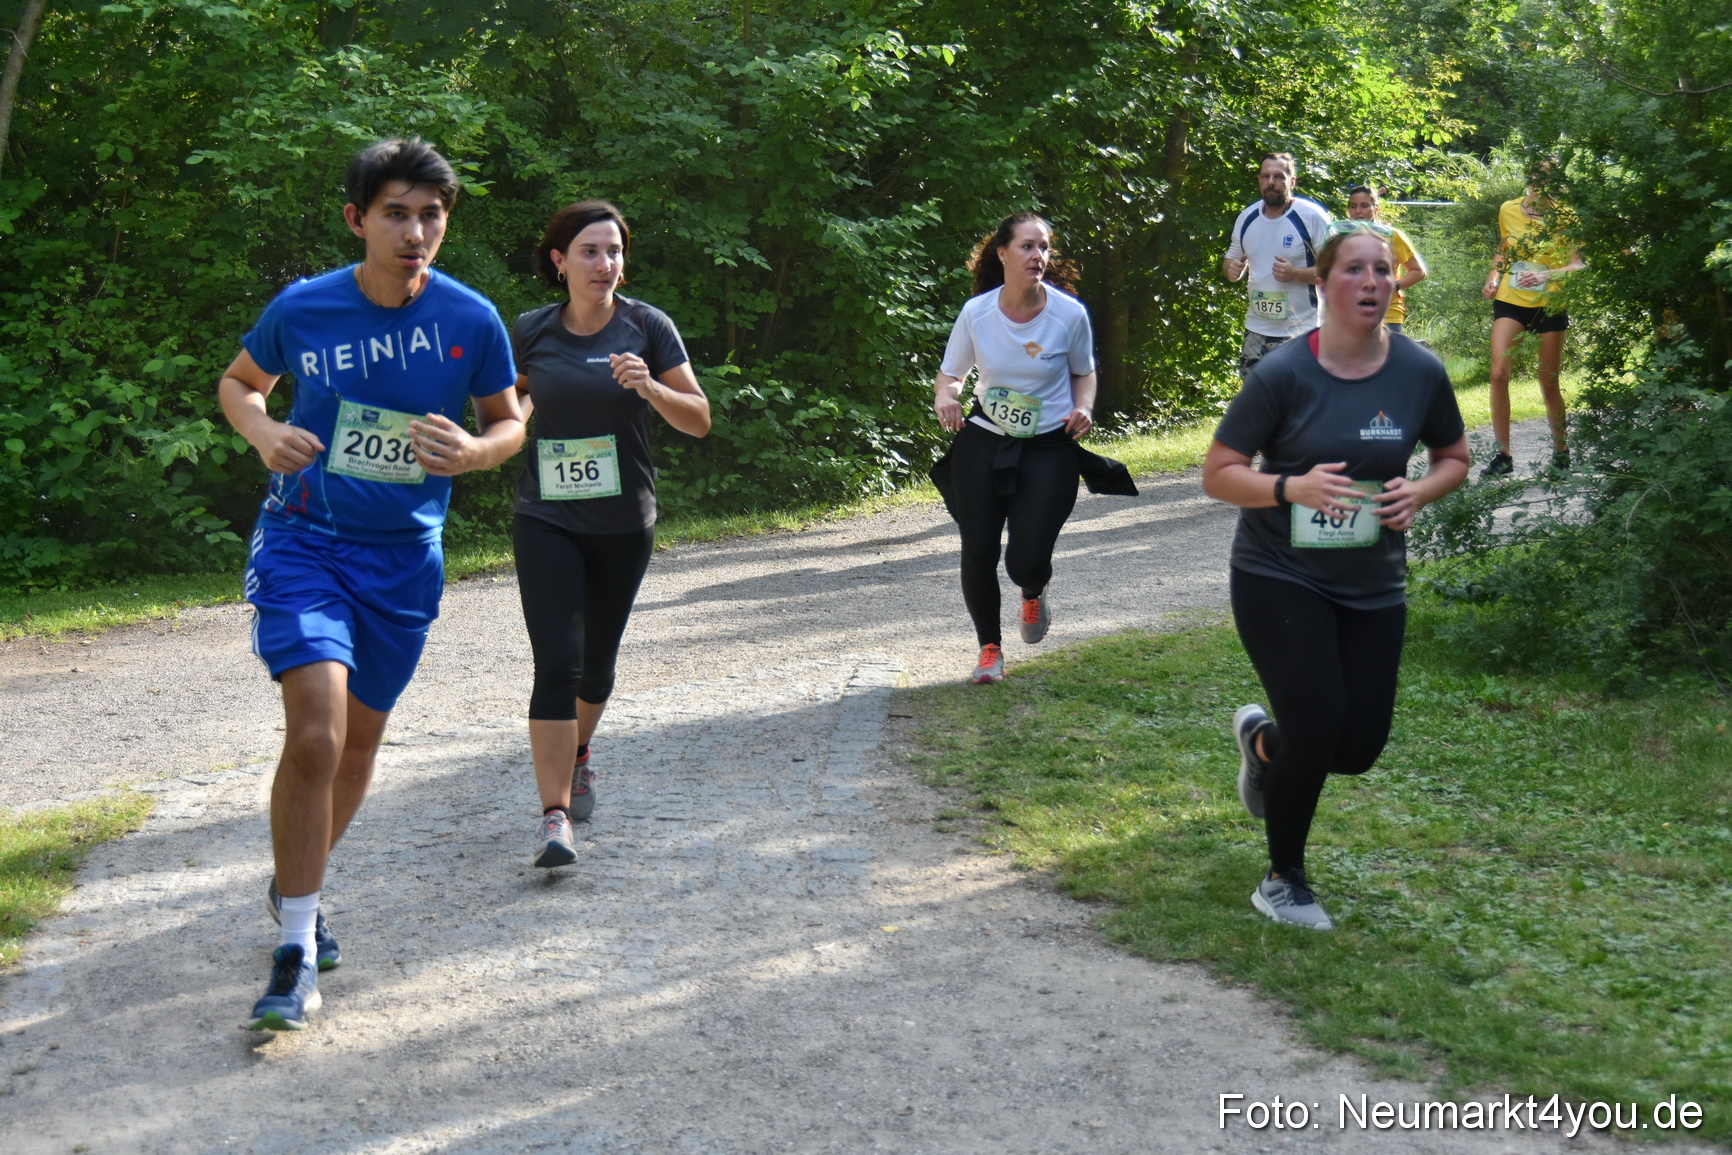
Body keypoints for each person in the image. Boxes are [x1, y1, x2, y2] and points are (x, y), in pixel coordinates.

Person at [218, 138, 524, 1029]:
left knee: (355, 749)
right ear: (358, 219)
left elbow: (509, 420)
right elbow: (240, 385)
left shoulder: (472, 317)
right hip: (304, 541)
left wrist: (475, 452)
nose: (416, 230)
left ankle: (293, 881)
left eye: (431, 214)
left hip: (404, 562)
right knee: (316, 730)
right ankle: (297, 947)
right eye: (396, 212)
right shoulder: (304, 307)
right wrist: (263, 431)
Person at [1201, 220, 1470, 930]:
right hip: (1277, 570)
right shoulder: (1285, 373)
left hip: (1373, 580)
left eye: (1382, 269)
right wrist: (1290, 487)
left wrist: (1420, 490)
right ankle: (1283, 878)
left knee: (1356, 747)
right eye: (1354, 269)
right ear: (1321, 283)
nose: (1372, 282)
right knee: (1318, 718)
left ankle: (1265, 747)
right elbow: (1218, 473)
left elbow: (1455, 454)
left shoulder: (1420, 371)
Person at [511, 201, 711, 868]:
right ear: (558, 260)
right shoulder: (532, 331)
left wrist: (650, 387)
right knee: (556, 662)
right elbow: (512, 408)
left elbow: (700, 420)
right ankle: (554, 815)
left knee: (596, 666)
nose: (605, 264)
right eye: (590, 251)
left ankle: (581, 751)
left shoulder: (647, 325)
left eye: (614, 251)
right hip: (545, 516)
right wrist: (506, 422)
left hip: (625, 522)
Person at [931, 212, 1124, 685]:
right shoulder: (977, 312)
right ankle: (989, 650)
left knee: (1025, 560)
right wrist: (946, 396)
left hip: (1047, 447)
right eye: (1027, 246)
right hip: (985, 438)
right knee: (978, 548)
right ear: (1002, 253)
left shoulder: (1068, 313)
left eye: (1044, 247)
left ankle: (1033, 588)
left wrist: (1085, 406)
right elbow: (950, 374)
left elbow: (1085, 370)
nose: (1038, 256)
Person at [1480, 168, 1586, 476]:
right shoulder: (1508, 209)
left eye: (1550, 179)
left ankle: (1562, 450)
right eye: (1539, 178)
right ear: (1530, 179)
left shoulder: (1567, 215)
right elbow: (1503, 253)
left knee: (1548, 382)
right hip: (1511, 301)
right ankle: (1503, 455)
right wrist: (1492, 279)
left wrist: (1545, 274)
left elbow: (1577, 265)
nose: (1544, 185)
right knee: (1499, 372)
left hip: (1550, 304)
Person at [1222, 152, 1333, 379]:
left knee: (1298, 408)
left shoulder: (1311, 217)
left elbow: (1336, 271)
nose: (1271, 182)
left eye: (1279, 177)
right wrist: (1231, 270)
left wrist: (1296, 274)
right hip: (1256, 331)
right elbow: (1230, 260)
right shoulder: (1247, 217)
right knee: (1257, 406)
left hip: (1301, 332)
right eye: (1266, 176)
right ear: (1259, 180)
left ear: (1292, 181)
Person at [1345, 185, 1428, 333]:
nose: (1358, 211)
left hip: (1387, 316)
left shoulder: (1392, 236)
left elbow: (1418, 271)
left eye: (1364, 206)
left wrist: (1393, 286)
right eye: (1353, 206)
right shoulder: (1339, 237)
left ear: (1376, 208)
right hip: (1350, 315)